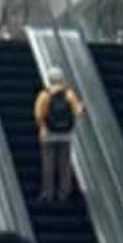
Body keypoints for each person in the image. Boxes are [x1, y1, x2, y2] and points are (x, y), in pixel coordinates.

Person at [34, 69, 84, 204]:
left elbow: (38, 115)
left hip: (48, 134)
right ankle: (64, 193)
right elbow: (78, 111)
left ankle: (47, 193)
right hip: (65, 134)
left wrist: (43, 127)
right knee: (64, 164)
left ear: (49, 79)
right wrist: (80, 107)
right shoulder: (69, 94)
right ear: (62, 79)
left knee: (48, 164)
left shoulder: (44, 95)